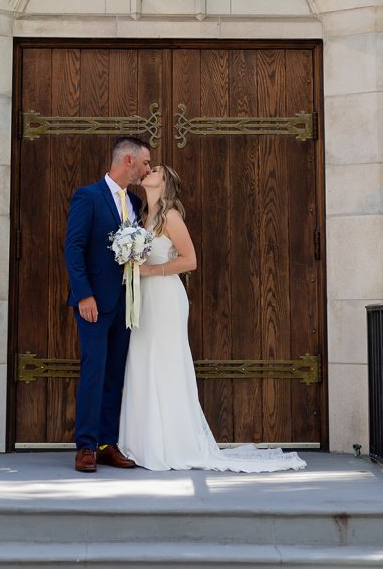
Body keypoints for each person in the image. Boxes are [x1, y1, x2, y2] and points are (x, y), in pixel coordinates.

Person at [119, 165, 307, 474]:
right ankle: (144, 443)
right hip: (145, 299)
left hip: (165, 297)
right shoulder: (142, 218)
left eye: (155, 170)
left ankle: (174, 444)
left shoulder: (170, 217)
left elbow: (190, 260)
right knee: (142, 362)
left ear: (164, 183)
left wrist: (150, 270)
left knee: (166, 364)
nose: (148, 171)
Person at [64, 136, 152, 473]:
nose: (147, 169)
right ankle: (86, 446)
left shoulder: (134, 202)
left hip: (125, 302)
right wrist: (84, 294)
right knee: (94, 371)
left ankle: (105, 444)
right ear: (128, 160)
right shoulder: (88, 196)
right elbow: (74, 247)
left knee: (115, 373)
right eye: (145, 162)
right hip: (94, 303)